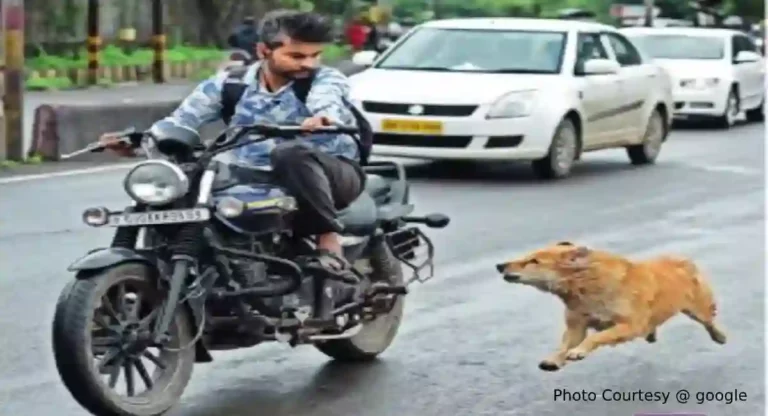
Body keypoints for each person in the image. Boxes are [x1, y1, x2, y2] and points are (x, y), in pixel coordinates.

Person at [102, 10, 365, 280]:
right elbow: (182, 121)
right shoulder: (230, 83)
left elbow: (328, 101)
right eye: (297, 56)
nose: (309, 63)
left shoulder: (325, 80)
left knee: (289, 152)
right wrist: (138, 141)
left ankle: (327, 238)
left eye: (315, 55)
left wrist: (323, 118)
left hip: (331, 175)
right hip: (252, 174)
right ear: (263, 51)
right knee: (189, 175)